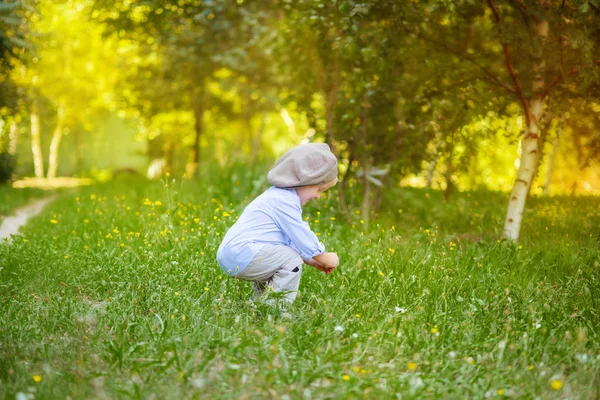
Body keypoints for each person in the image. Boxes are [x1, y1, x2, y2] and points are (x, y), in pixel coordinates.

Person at [216, 143, 340, 306]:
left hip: (236, 253)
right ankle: (275, 309)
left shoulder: (278, 197)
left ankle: (259, 304)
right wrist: (324, 257)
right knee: (290, 259)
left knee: (280, 258)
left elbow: (286, 242)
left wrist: (312, 261)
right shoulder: (284, 201)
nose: (318, 196)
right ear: (305, 181)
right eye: (319, 189)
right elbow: (301, 236)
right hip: (242, 253)